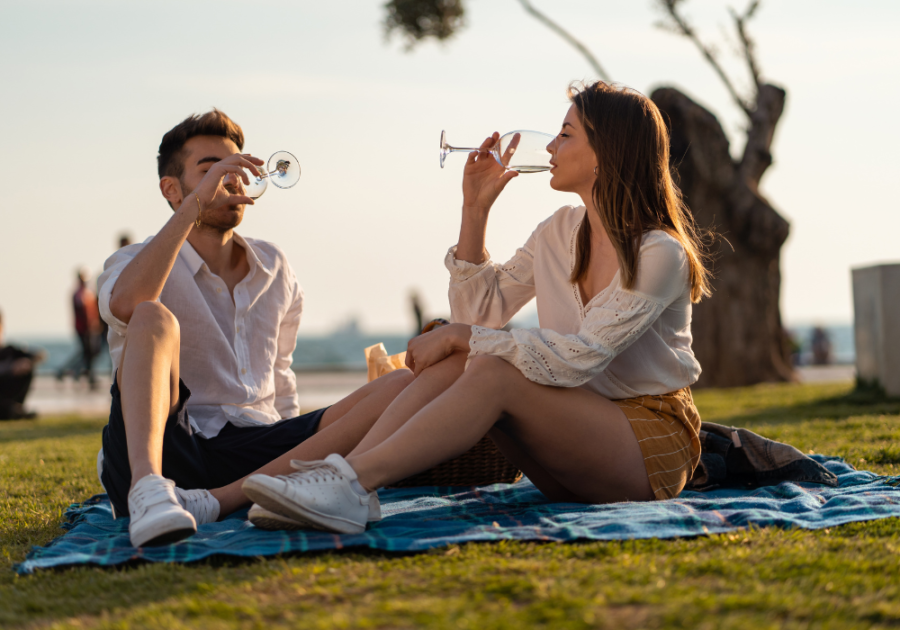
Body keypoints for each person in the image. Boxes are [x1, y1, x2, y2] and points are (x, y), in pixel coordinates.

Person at [240, 81, 713, 534]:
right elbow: (480, 317)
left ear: (607, 151)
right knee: (467, 359)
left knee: (488, 367)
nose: (549, 148)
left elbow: (581, 356)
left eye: (565, 135)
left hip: (647, 449)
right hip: (570, 445)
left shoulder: (659, 253)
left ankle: (350, 481)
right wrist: (475, 210)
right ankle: (346, 482)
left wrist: (461, 336)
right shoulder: (559, 231)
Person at [97, 109, 413, 547]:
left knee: (403, 383)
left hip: (256, 452)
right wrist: (194, 209)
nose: (230, 180)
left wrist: (296, 447)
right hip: (167, 449)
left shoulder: (274, 264)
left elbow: (281, 375)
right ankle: (148, 491)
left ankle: (244, 497)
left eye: (236, 168)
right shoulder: (136, 261)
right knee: (151, 315)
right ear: (172, 190)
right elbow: (128, 305)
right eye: (211, 171)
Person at [57, 268, 101, 389]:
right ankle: (83, 374)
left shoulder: (87, 293)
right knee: (87, 352)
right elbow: (83, 313)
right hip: (83, 328)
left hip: (90, 328)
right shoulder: (79, 294)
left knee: (89, 353)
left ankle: (83, 373)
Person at [0, 309, 42, 420]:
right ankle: (15, 411)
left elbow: (40, 355)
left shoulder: (10, 351)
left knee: (27, 366)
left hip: (9, 396)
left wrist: (26, 363)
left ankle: (16, 408)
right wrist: (9, 369)